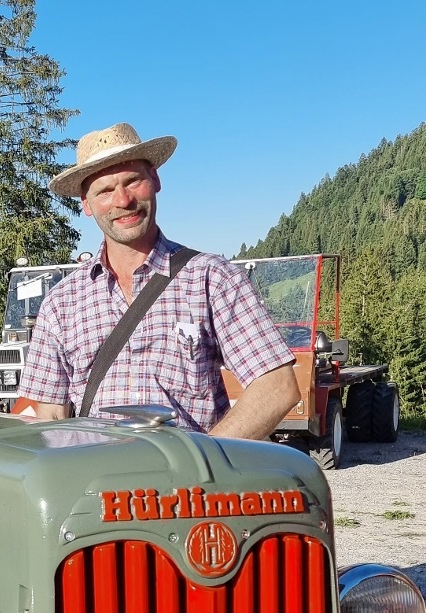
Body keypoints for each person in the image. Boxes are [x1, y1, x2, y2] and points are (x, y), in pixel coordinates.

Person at [18, 123, 299, 437]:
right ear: (86, 203)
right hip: (96, 483)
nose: (123, 200)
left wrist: (204, 463)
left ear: (155, 180)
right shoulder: (60, 303)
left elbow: (276, 386)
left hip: (190, 484)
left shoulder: (212, 278)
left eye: (132, 181)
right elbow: (52, 417)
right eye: (105, 191)